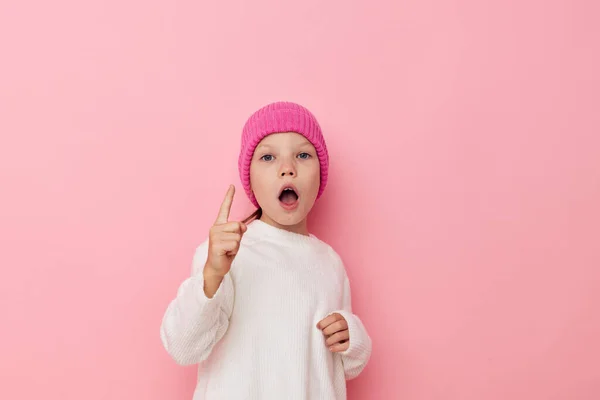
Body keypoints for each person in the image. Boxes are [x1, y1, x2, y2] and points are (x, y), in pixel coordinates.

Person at [160, 101, 372, 399]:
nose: (287, 169)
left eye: (302, 154)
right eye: (268, 157)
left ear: (321, 174)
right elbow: (183, 347)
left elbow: (346, 365)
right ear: (250, 179)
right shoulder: (228, 254)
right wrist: (211, 277)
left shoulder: (330, 262)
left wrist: (352, 337)